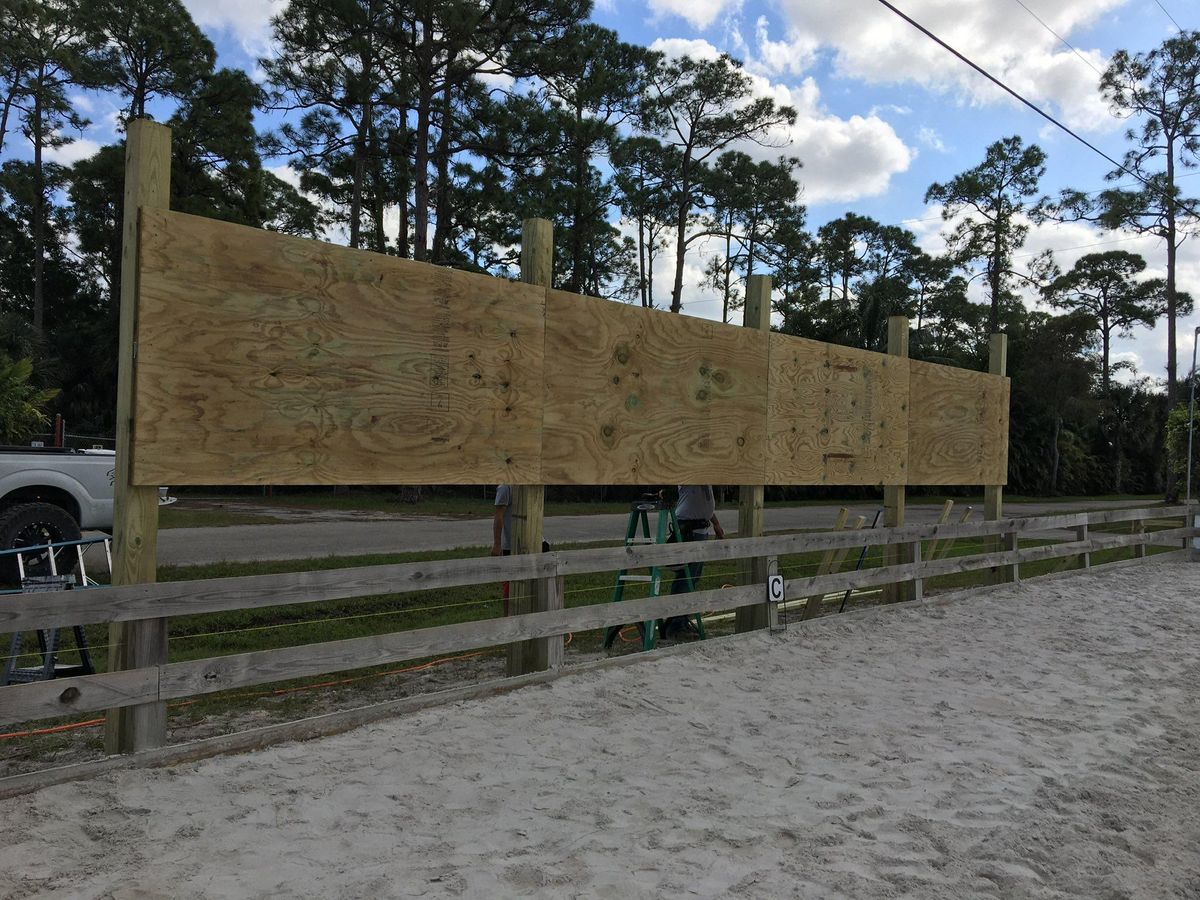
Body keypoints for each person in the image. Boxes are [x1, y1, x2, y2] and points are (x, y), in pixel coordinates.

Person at [665, 485, 724, 637]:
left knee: (692, 578)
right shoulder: (691, 476)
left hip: (700, 529)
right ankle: (676, 625)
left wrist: (716, 523)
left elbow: (703, 503)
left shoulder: (705, 478)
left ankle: (681, 621)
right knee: (686, 578)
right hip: (689, 530)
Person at [492, 484, 513, 615]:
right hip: (510, 546)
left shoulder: (527, 485)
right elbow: (498, 515)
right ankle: (508, 618)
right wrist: (497, 544)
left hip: (530, 543)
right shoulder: (505, 487)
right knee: (509, 588)